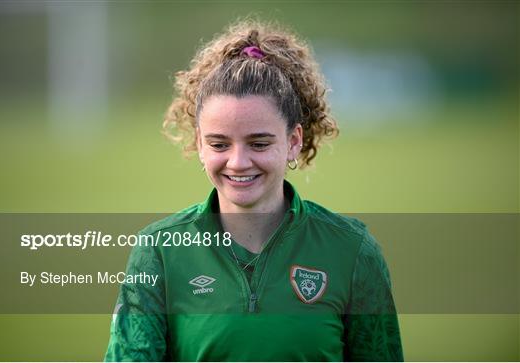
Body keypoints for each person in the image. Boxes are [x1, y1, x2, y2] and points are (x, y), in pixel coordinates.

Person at [105, 19, 403, 362]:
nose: (238, 162)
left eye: (258, 143)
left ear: (293, 141)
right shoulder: (158, 252)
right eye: (219, 144)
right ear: (199, 144)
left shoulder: (352, 252)